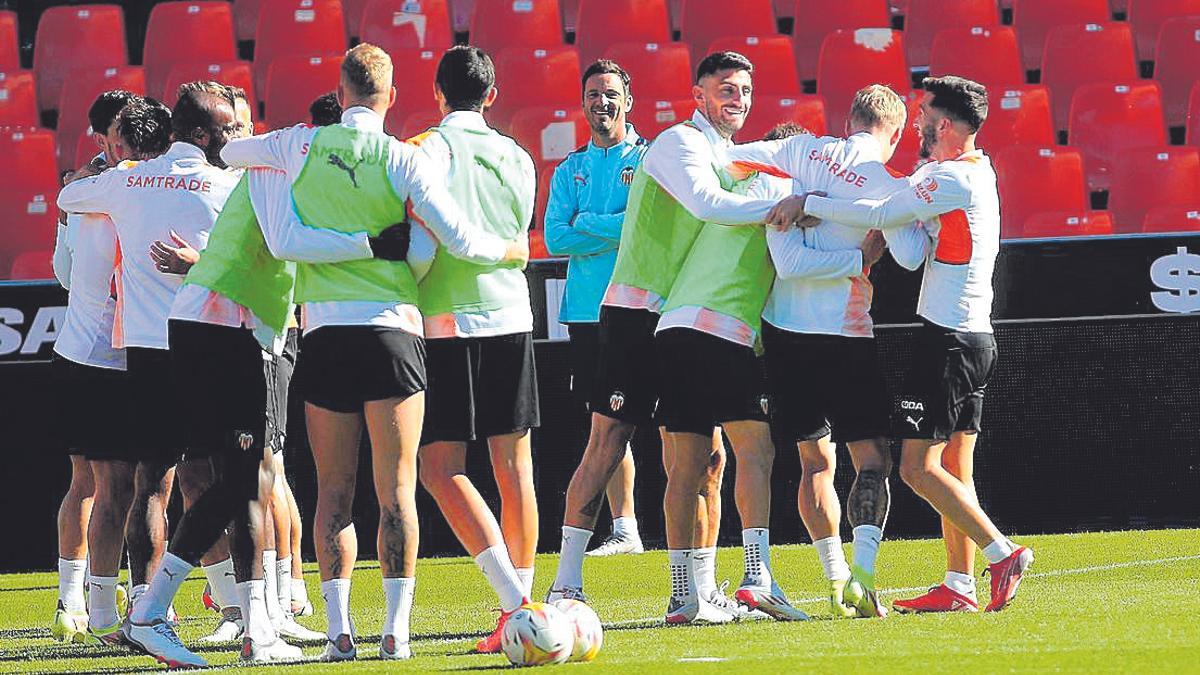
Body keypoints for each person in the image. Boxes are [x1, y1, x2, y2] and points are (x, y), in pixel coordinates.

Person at [219, 43, 528, 662]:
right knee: (398, 492)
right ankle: (396, 631)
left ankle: (339, 631)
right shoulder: (403, 156)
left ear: (340, 94)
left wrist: (288, 167)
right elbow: (456, 239)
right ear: (392, 96)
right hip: (394, 334)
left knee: (332, 492)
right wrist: (510, 251)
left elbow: (230, 152)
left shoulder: (301, 144)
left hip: (326, 334)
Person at [769, 75, 1034, 613]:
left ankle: (1002, 553)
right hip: (971, 337)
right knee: (954, 467)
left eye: (924, 114)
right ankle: (959, 585)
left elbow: (878, 216)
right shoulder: (962, 172)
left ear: (943, 124)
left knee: (916, 468)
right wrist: (894, 200)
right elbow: (909, 254)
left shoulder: (954, 178)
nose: (916, 123)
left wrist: (812, 201)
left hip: (950, 341)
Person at [544, 52, 790, 624]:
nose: (737, 99)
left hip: (679, 320)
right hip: (635, 312)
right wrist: (787, 206)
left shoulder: (729, 155)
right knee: (607, 444)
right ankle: (565, 584)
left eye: (745, 89)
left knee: (704, 458)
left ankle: (693, 594)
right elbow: (708, 205)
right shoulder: (680, 143)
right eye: (725, 89)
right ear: (698, 96)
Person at [57, 83, 244, 664]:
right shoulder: (225, 184)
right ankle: (244, 609)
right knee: (222, 481)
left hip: (142, 352)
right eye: (229, 131)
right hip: (204, 344)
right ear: (205, 134)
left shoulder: (125, 183)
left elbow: (68, 198)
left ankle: (143, 607)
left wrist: (97, 174)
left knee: (148, 485)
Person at [726, 85, 929, 619]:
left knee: (813, 462)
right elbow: (911, 256)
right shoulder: (887, 182)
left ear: (848, 122)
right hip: (845, 336)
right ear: (896, 133)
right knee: (872, 460)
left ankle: (837, 580)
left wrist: (816, 203)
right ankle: (859, 578)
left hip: (785, 335)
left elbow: (730, 158)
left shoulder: (801, 158)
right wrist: (872, 239)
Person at [403, 45, 540, 654]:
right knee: (516, 469)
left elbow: (421, 232)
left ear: (437, 94)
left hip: (446, 322)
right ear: (492, 96)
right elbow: (518, 234)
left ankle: (514, 605)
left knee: (439, 468)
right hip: (511, 313)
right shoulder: (519, 155)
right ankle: (521, 603)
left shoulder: (425, 148)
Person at [544, 59, 647, 559]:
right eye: (592, 94)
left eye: (610, 94)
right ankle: (625, 528)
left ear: (628, 101)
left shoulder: (646, 160)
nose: (601, 102)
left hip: (638, 305)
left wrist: (587, 220)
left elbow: (642, 227)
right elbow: (555, 237)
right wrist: (612, 227)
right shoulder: (570, 168)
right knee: (603, 422)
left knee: (662, 423)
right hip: (586, 312)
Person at [48, 88, 138, 644]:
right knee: (106, 482)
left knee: (107, 483)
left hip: (101, 353)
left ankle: (85, 598)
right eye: (115, 133)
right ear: (102, 137)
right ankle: (83, 600)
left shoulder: (85, 190)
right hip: (103, 355)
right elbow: (64, 272)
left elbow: (64, 271)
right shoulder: (89, 190)